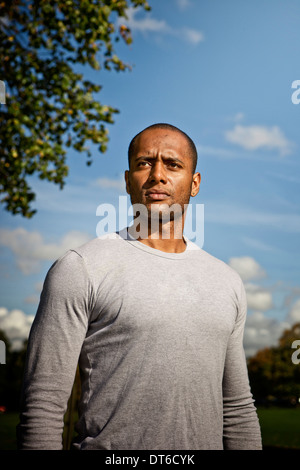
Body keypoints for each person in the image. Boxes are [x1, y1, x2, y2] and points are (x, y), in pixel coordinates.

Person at [17, 123, 262, 450]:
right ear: (127, 180)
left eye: (173, 165)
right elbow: (42, 405)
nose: (157, 174)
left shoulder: (227, 281)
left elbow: (237, 408)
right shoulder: (80, 267)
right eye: (144, 163)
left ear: (195, 183)